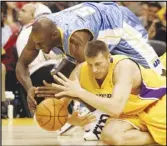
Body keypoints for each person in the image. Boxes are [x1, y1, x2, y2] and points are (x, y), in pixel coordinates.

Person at [16, 2, 164, 112]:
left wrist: (70, 94)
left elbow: (93, 98)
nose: (38, 47)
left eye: (41, 44)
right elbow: (21, 65)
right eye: (37, 44)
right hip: (96, 26)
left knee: (156, 76)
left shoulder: (76, 40)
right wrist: (29, 88)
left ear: (54, 35)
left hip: (120, 23)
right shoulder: (39, 33)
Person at [36, 40, 166, 145]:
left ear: (109, 58)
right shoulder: (80, 72)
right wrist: (70, 120)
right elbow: (61, 106)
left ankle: (159, 133)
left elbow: (115, 108)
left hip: (158, 102)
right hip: (132, 112)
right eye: (90, 64)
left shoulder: (124, 67)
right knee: (109, 137)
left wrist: (80, 92)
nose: (94, 70)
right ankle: (153, 136)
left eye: (98, 64)